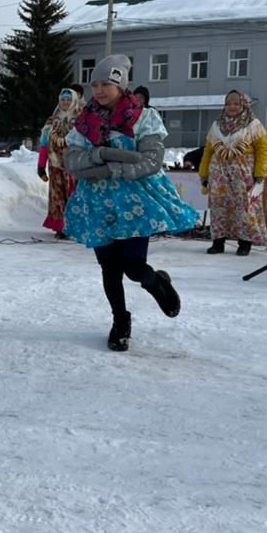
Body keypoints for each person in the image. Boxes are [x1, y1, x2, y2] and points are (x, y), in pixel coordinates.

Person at [64, 56, 196, 352]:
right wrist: (107, 157)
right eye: (95, 84)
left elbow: (150, 161)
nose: (99, 90)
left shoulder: (143, 117)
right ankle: (120, 321)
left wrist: (101, 164)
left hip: (136, 204)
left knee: (134, 267)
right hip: (97, 202)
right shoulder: (84, 122)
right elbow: (72, 162)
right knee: (109, 268)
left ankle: (156, 282)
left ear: (121, 84)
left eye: (106, 84)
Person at [199, 90, 267, 256]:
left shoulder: (253, 125)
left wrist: (260, 174)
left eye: (236, 103)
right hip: (219, 173)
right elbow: (208, 150)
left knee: (244, 207)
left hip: (243, 173)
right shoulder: (217, 126)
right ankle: (218, 242)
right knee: (219, 206)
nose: (232, 107)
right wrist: (204, 172)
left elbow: (262, 150)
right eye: (229, 103)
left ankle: (244, 243)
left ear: (244, 105)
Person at [37, 86, 80, 238]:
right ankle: (61, 227)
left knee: (74, 194)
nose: (66, 102)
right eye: (63, 100)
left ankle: (75, 226)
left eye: (69, 99)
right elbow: (44, 143)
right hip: (55, 164)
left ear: (74, 100)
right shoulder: (52, 120)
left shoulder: (81, 119)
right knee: (58, 196)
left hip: (75, 165)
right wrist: (41, 165)